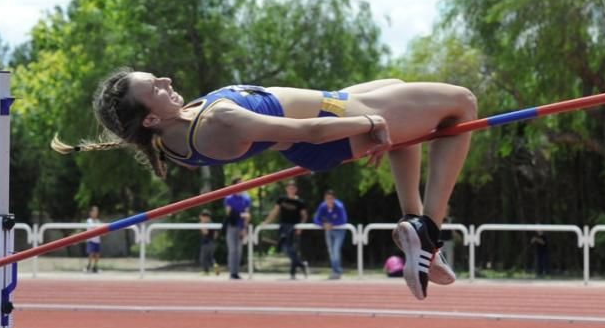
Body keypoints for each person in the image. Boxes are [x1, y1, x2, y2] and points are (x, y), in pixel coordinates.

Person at [53, 70, 475, 300]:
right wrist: (368, 123)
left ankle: (412, 222)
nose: (166, 80)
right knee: (460, 103)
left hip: (328, 107)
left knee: (399, 89)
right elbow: (306, 130)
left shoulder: (168, 139)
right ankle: (428, 231)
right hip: (333, 122)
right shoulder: (218, 120)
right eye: (156, 88)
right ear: (149, 119)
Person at [261, 181, 309, 279]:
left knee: (293, 249)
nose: (291, 190)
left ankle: (293, 273)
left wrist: (301, 226)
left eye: (293, 188)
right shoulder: (282, 199)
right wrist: (266, 222)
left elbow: (304, 216)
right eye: (289, 188)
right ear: (286, 189)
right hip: (283, 226)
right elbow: (275, 211)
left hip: (294, 227)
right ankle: (301, 264)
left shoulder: (300, 202)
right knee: (284, 247)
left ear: (296, 190)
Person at [313, 189, 349, 279]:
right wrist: (323, 224)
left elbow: (343, 219)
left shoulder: (339, 206)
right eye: (327, 198)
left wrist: (333, 224)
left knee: (336, 250)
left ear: (334, 199)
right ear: (325, 199)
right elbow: (316, 218)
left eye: (331, 198)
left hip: (339, 231)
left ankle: (337, 271)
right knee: (331, 251)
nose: (329, 200)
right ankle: (335, 270)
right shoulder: (323, 206)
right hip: (328, 231)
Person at [222, 178, 251, 279]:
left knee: (239, 250)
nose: (242, 186)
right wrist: (242, 215)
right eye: (239, 184)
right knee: (232, 249)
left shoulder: (246, 198)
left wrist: (245, 228)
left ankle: (236, 272)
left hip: (241, 227)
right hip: (231, 226)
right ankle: (232, 272)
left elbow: (247, 215)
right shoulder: (229, 198)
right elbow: (229, 213)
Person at [197, 209, 218, 275]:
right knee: (211, 257)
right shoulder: (213, 224)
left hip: (206, 243)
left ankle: (206, 271)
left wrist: (201, 225)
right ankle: (215, 265)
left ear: (205, 217)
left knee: (203, 258)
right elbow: (216, 234)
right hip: (213, 243)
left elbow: (205, 232)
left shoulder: (205, 224)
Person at [83, 205, 102, 273]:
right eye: (94, 211)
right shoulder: (89, 221)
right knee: (91, 254)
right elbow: (90, 229)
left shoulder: (98, 221)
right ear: (91, 212)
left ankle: (95, 267)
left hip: (97, 241)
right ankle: (88, 266)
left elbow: (101, 231)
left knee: (97, 254)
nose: (96, 212)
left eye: (97, 211)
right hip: (91, 240)